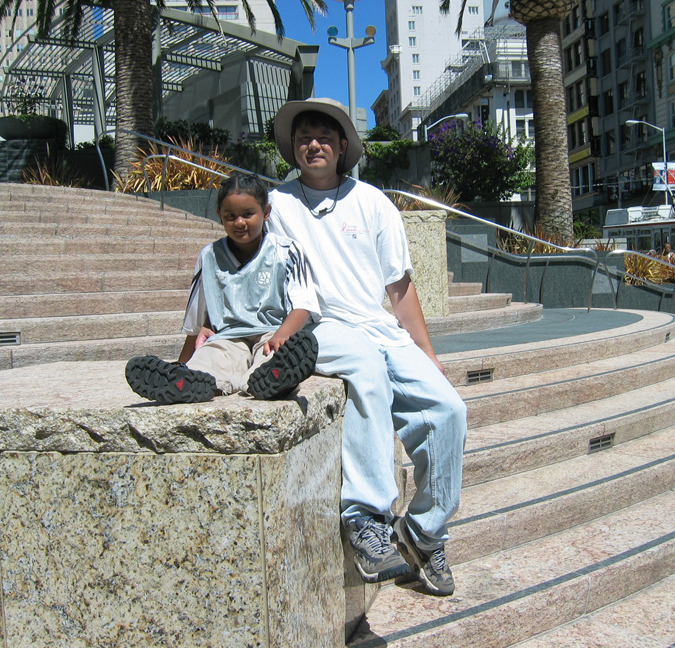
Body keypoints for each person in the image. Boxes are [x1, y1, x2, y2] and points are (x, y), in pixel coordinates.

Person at [267, 98, 467, 597]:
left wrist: (428, 354)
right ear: (294, 148)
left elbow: (399, 288)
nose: (313, 143)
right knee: (364, 369)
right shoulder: (278, 205)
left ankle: (423, 531)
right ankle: (367, 515)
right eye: (304, 136)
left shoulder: (374, 202)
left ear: (342, 146)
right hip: (319, 324)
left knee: (448, 408)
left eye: (324, 135)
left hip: (377, 325)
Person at [125, 173, 320, 404]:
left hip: (271, 332)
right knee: (208, 360)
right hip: (226, 336)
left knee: (273, 358)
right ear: (219, 216)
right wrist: (183, 364)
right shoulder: (209, 256)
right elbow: (196, 324)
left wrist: (283, 335)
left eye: (248, 214)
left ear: (266, 213)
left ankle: (275, 380)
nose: (239, 222)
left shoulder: (287, 251)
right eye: (231, 216)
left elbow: (303, 305)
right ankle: (182, 382)